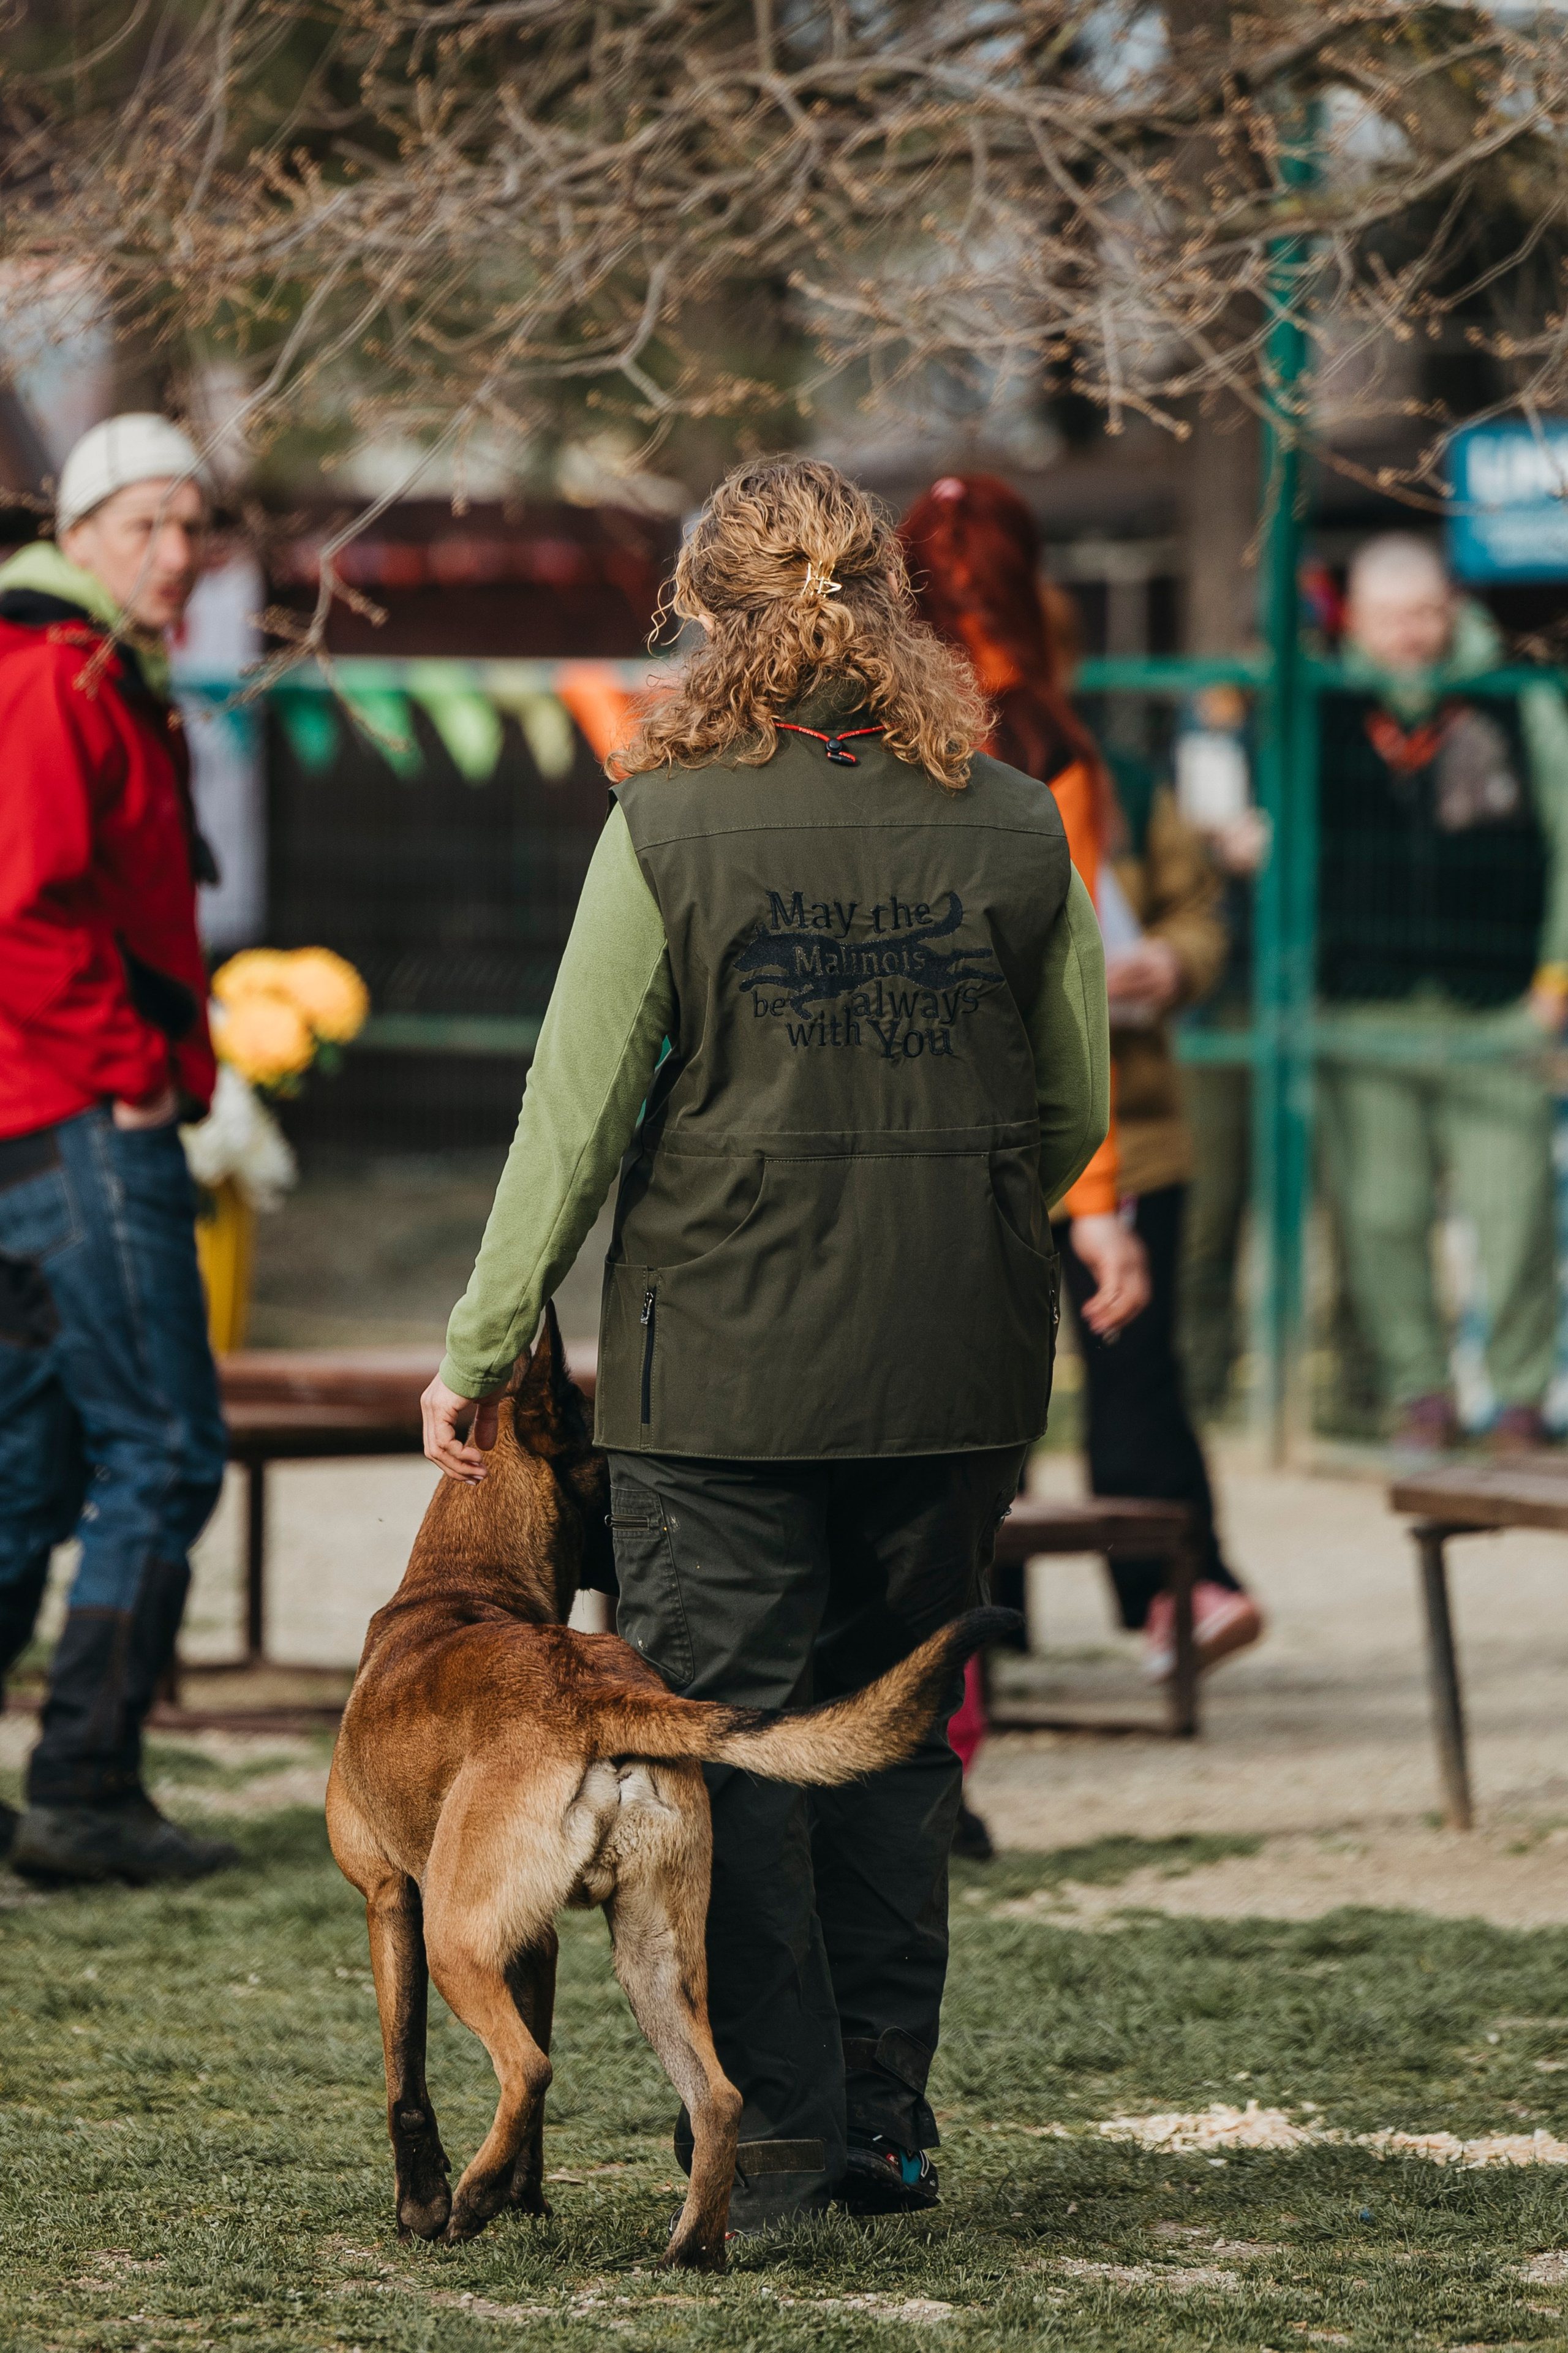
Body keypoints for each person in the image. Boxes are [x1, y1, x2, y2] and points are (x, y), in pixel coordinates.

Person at [420, 456, 1111, 2232]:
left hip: (722, 1372)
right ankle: (888, 2130)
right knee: (896, 1737)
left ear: (704, 619)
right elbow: (1075, 1103)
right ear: (890, 610)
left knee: (735, 1741)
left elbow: (567, 1122)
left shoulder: (660, 820)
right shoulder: (1021, 817)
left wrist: (483, 1342)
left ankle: (784, 2146)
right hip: (957, 1363)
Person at [902, 475, 1263, 1685]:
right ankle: (975, 1634)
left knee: (1133, 1368)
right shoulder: (935, 774)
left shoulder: (1095, 768)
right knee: (978, 1388)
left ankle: (1177, 1588)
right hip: (986, 1132)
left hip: (1128, 1118)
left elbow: (1189, 918)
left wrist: (1171, 963)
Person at [0, 414, 235, 1885]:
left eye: (192, 523)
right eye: (146, 522)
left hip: (43, 1114)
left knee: (33, 1461)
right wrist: (134, 1068)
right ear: (78, 534)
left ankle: (77, 1782)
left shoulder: (93, 667)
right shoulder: (56, 671)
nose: (177, 553)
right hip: (77, 1117)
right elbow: (18, 909)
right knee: (165, 1445)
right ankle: (85, 1787)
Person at [1318, 534, 1568, 1451]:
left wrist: (1556, 980)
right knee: (1382, 1213)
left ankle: (1519, 1400)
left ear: (1452, 608)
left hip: (1500, 1005)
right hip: (1366, 1006)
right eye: (1391, 619)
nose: (1412, 635)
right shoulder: (1324, 706)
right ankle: (1418, 1392)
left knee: (1516, 1218)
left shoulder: (1519, 700)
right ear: (1359, 622)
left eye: (1427, 613)